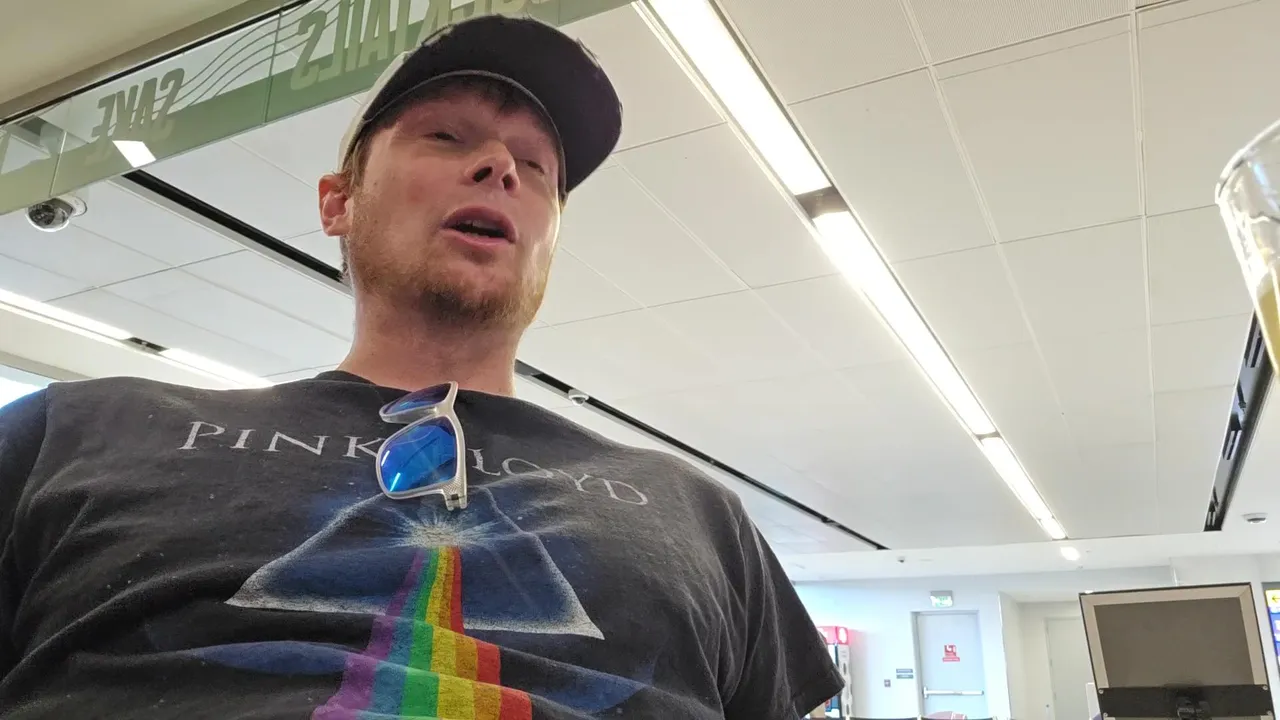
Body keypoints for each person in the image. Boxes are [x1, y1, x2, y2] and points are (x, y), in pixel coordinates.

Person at [0, 15, 843, 719]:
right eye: (447, 135)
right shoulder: (73, 433)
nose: (501, 167)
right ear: (339, 202)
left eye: (537, 168)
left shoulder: (702, 517)